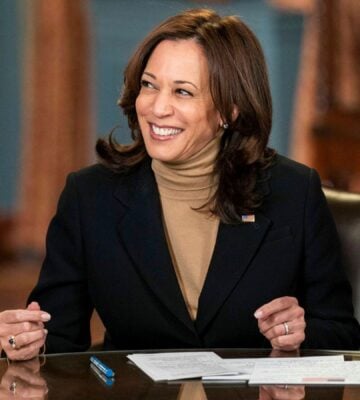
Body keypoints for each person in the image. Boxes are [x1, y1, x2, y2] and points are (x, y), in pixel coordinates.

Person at [0, 8, 359, 361]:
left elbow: (342, 333)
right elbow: (56, 338)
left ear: (230, 109)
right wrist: (21, 342)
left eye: (182, 92)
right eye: (149, 85)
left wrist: (301, 332)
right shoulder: (89, 196)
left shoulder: (294, 191)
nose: (157, 108)